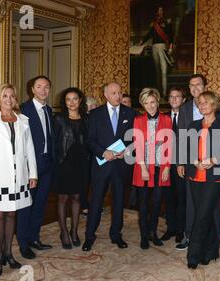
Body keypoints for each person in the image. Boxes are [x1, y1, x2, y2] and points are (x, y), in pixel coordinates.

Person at [0, 84, 37, 277]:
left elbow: (29, 150)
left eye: (11, 96)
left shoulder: (23, 120)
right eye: (4, 96)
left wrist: (32, 173)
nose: (8, 99)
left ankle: (9, 253)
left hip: (17, 175)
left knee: (12, 214)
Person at [82, 82, 136, 251]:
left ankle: (116, 235)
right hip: (101, 165)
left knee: (119, 201)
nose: (117, 96)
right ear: (105, 94)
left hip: (121, 165)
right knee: (96, 201)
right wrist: (103, 152)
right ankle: (89, 236)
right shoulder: (95, 114)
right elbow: (89, 140)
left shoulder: (131, 113)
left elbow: (135, 139)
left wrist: (127, 151)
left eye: (119, 93)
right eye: (113, 93)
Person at [176, 73, 220, 250]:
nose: (195, 88)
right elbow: (182, 138)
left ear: (204, 86)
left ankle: (213, 243)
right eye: (191, 85)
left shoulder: (218, 108)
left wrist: (214, 159)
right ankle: (189, 235)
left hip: (214, 167)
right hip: (193, 165)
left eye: (198, 84)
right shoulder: (184, 109)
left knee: (212, 207)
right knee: (192, 203)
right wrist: (181, 162)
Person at [185, 91, 220, 269]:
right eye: (200, 103)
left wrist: (212, 161)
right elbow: (186, 149)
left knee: (202, 214)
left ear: (214, 105)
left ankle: (193, 254)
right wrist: (196, 162)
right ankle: (211, 251)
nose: (202, 105)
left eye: (206, 102)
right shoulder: (192, 125)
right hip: (195, 175)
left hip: (214, 177)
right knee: (208, 214)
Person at [17, 75, 55, 260]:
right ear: (32, 89)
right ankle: (24, 244)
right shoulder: (23, 110)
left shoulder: (48, 109)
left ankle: (34, 238)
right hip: (29, 167)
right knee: (26, 206)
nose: (43, 90)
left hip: (47, 164)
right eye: (39, 86)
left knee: (40, 205)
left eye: (46, 87)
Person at [132, 88, 172, 249]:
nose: (150, 106)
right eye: (146, 103)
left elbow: (170, 145)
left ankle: (152, 232)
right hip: (143, 167)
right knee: (143, 203)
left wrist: (167, 167)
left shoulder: (167, 119)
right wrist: (142, 168)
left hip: (161, 167)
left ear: (157, 101)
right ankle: (143, 235)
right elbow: (138, 145)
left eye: (153, 102)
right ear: (142, 104)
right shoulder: (138, 120)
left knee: (156, 202)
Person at [53, 88, 89, 249]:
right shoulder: (58, 118)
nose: (72, 102)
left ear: (80, 100)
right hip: (63, 163)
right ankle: (64, 232)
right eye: (68, 99)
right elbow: (54, 143)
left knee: (76, 198)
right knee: (63, 199)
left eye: (75, 99)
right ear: (64, 102)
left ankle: (74, 231)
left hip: (81, 163)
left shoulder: (87, 119)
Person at [161, 86, 186, 243]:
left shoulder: (187, 117)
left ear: (183, 100)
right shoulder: (163, 117)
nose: (174, 99)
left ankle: (181, 230)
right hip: (165, 164)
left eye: (177, 96)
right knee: (168, 197)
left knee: (181, 198)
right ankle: (170, 227)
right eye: (171, 96)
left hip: (181, 164)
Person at [139, 6, 174, 97]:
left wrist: (170, 47)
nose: (160, 12)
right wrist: (142, 41)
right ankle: (159, 93)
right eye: (158, 11)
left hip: (162, 47)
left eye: (161, 10)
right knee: (157, 71)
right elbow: (149, 35)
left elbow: (171, 35)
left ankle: (165, 93)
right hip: (154, 47)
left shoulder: (167, 22)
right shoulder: (154, 24)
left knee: (164, 71)